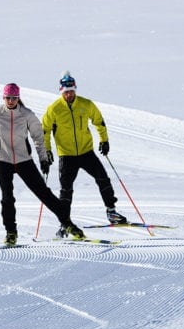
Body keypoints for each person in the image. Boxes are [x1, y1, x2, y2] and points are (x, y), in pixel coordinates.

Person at [0, 83, 85, 245]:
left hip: (24, 160)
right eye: (8, 98)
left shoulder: (26, 115)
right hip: (3, 161)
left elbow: (38, 137)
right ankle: (11, 233)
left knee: (44, 194)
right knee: (7, 198)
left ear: (19, 98)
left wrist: (43, 159)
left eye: (14, 98)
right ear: (3, 98)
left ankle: (67, 224)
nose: (11, 101)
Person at [41, 71, 127, 237]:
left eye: (72, 90)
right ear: (61, 91)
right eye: (66, 91)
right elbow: (44, 131)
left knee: (103, 178)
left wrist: (104, 141)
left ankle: (112, 212)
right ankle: (64, 223)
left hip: (86, 152)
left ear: (75, 89)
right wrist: (47, 151)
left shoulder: (86, 104)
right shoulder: (54, 109)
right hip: (66, 155)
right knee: (66, 191)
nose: (69, 94)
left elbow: (99, 122)